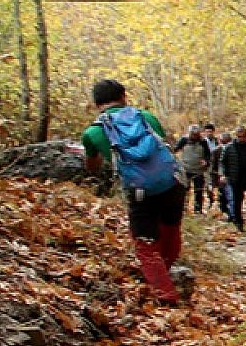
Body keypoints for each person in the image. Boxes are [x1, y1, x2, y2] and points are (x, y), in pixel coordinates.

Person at [80, 79, 186, 304]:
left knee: (146, 245)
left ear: (96, 104)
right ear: (123, 97)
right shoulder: (146, 117)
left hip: (140, 192)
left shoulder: (92, 132)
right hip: (172, 184)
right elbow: (162, 146)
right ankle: (164, 274)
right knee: (170, 231)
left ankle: (165, 296)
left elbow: (92, 166)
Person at [173, 125, 211, 214]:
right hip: (185, 169)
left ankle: (198, 209)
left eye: (196, 134)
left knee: (199, 190)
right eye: (193, 134)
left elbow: (208, 155)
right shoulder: (184, 140)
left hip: (199, 170)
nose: (194, 136)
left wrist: (206, 161)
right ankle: (184, 208)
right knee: (184, 190)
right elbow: (174, 150)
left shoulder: (203, 142)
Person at [203, 123, 229, 218]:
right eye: (207, 131)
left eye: (210, 131)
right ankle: (212, 203)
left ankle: (223, 208)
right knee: (210, 188)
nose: (209, 133)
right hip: (211, 169)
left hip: (222, 170)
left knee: (223, 190)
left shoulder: (217, 142)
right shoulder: (203, 142)